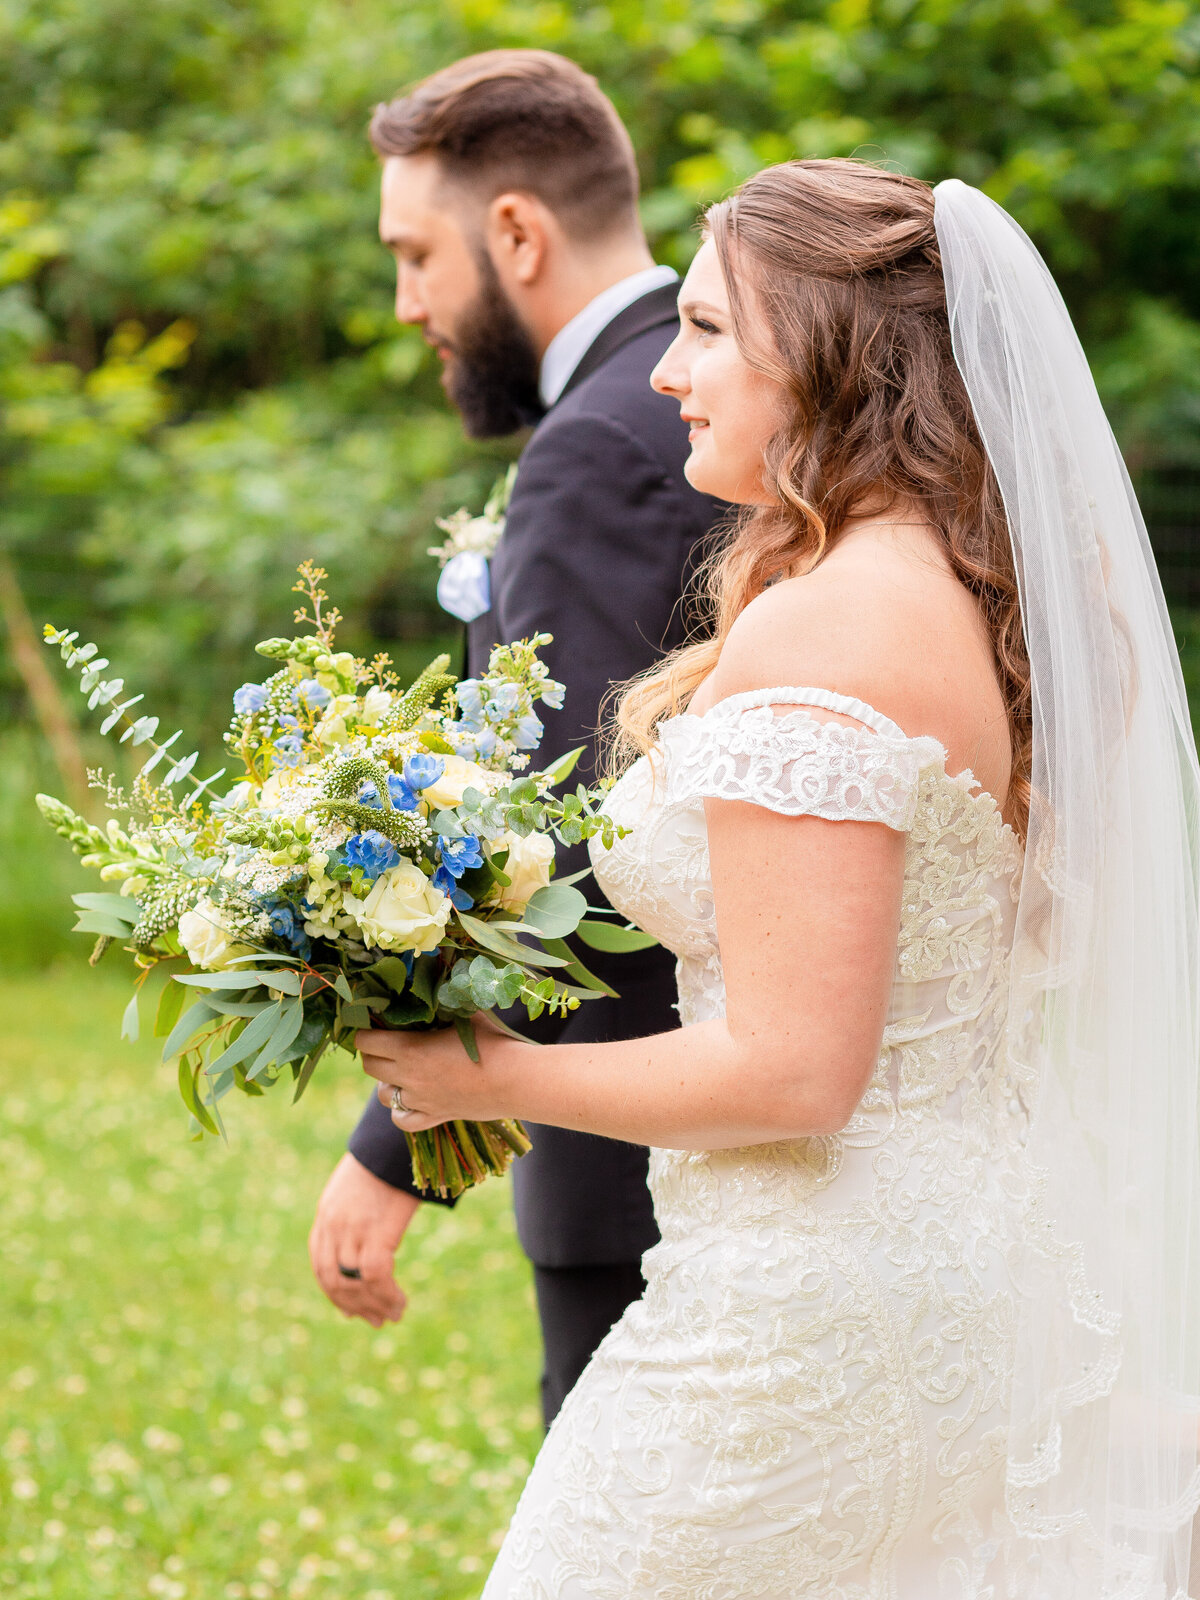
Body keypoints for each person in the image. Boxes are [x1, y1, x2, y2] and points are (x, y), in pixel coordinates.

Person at [357, 159, 1200, 1596]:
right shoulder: (966, 592)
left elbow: (797, 1070)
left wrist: (492, 1079)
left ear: (825, 357)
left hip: (807, 1311)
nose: (671, 373)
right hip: (965, 1271)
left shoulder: (826, 632)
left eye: (704, 330)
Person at [307, 50, 722, 1426]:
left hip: (643, 1153)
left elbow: (565, 844)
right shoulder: (698, 397)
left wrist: (399, 1145)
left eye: (415, 255)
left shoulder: (601, 443)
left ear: (516, 233)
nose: (408, 302)